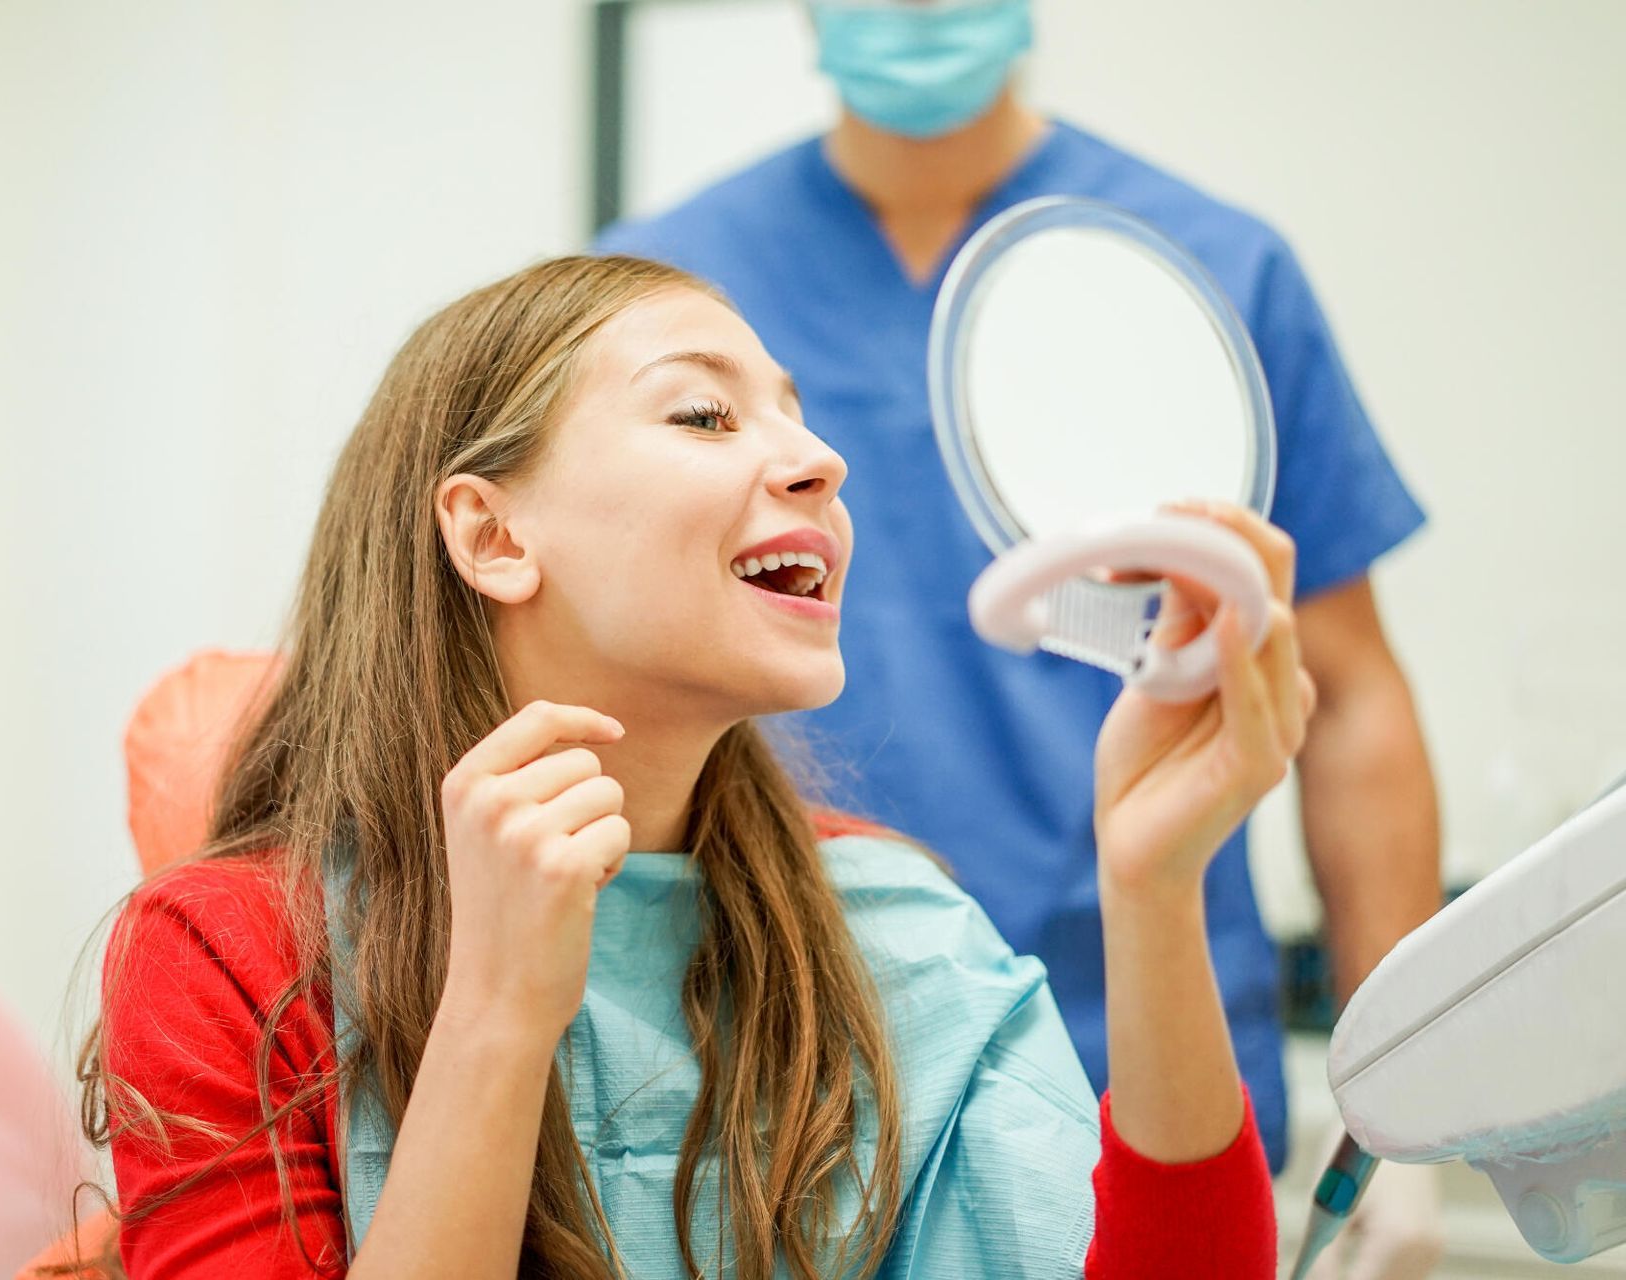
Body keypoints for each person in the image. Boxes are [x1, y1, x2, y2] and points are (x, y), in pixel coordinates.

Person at [80, 255, 1309, 1277]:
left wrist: (1152, 887)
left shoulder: (897, 924)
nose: (821, 463)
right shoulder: (228, 950)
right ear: (495, 534)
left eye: (796, 413)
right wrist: (500, 1014)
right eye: (705, 415)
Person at [595, 7, 1443, 1269]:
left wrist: (1409, 1106)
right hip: (761, 1056)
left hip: (1141, 1040)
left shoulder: (1210, 272)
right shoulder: (662, 301)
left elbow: (1352, 694)